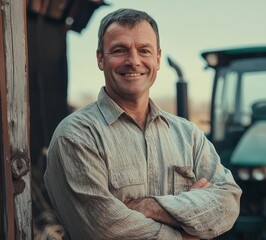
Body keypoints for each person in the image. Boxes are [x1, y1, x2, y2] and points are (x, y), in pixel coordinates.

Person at [44, 8, 242, 240]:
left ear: (157, 59)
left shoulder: (188, 135)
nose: (134, 61)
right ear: (100, 58)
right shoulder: (76, 136)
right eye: (120, 50)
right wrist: (186, 233)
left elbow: (227, 204)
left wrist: (146, 207)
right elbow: (102, 230)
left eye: (144, 50)